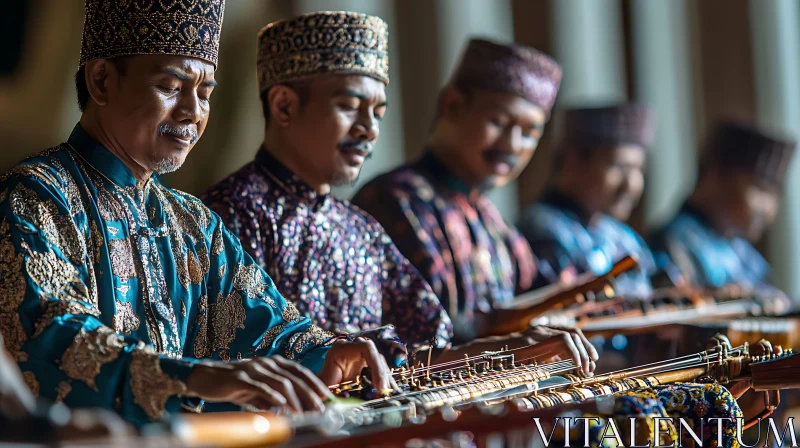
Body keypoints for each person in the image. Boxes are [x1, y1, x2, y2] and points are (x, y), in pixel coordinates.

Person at [0, 0, 394, 427]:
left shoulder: (192, 222)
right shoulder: (35, 196)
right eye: (171, 86)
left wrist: (326, 353)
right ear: (101, 81)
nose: (192, 112)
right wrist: (196, 376)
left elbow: (267, 328)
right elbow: (54, 336)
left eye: (205, 94)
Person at [201, 12, 452, 364]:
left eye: (377, 113)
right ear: (284, 105)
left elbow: (432, 339)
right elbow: (236, 355)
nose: (369, 129)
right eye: (349, 107)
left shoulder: (362, 229)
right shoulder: (229, 214)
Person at [649, 121, 795, 309]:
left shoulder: (744, 253)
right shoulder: (673, 241)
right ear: (713, 175)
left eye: (775, 196)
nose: (768, 210)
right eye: (760, 189)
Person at [517, 104, 657, 298]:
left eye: (638, 170)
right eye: (619, 166)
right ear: (572, 160)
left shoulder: (624, 238)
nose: (631, 184)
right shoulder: (542, 232)